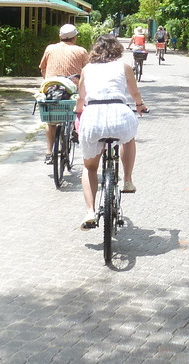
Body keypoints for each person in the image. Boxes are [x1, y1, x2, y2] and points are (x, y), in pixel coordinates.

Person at [74, 33, 148, 230]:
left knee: (90, 167)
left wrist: (78, 110)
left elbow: (81, 97)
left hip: (93, 117)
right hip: (119, 114)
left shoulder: (87, 69)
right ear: (117, 49)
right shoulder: (123, 67)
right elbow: (134, 93)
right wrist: (139, 105)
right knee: (128, 137)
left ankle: (90, 211)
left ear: (95, 50)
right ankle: (128, 180)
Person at [39, 24, 88, 165]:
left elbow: (42, 69)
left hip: (52, 88)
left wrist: (48, 81)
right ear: (75, 37)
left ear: (60, 36)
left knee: (50, 120)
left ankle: (48, 153)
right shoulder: (81, 51)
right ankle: (75, 130)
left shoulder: (50, 48)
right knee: (78, 107)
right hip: (72, 89)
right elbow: (87, 71)